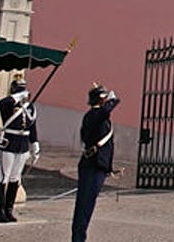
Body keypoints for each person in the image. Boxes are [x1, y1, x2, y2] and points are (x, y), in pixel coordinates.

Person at [73, 83, 119, 242]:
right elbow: (106, 110)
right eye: (105, 98)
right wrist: (113, 100)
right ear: (100, 100)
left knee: (88, 204)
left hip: (97, 165)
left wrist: (109, 167)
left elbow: (107, 145)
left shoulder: (98, 116)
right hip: (91, 165)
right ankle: (78, 238)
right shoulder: (94, 115)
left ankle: (79, 237)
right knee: (84, 205)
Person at [0, 73, 40, 223]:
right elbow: (0, 104)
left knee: (15, 178)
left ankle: (9, 209)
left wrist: (35, 144)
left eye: (23, 90)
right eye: (19, 90)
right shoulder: (8, 105)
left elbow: (32, 127)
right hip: (9, 143)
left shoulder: (29, 107)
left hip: (22, 144)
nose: (23, 93)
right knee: (3, 177)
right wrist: (17, 97)